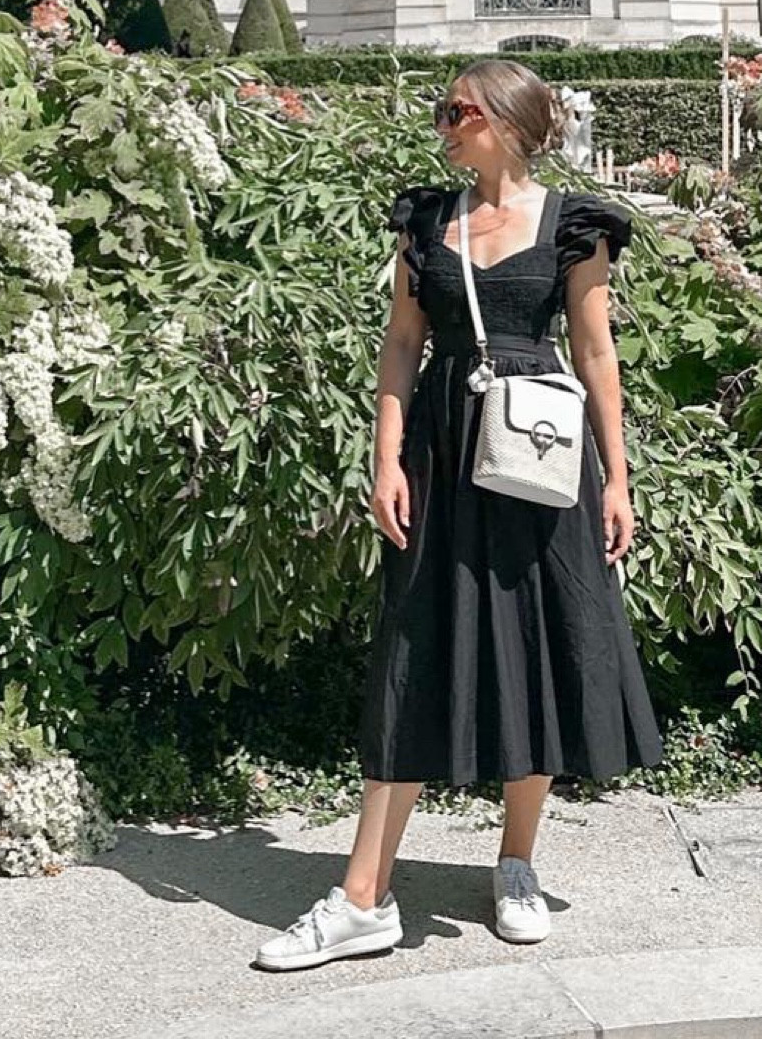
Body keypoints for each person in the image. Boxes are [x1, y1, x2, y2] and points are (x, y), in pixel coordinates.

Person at [255, 59, 663, 972]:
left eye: (458, 111)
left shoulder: (573, 227)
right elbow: (402, 343)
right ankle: (363, 897)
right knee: (412, 646)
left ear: (510, 122)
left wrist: (617, 479)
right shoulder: (423, 219)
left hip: (541, 458)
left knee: (540, 641)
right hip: (440, 456)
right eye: (442, 111)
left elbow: (597, 357)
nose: (442, 125)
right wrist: (384, 457)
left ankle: (515, 861)